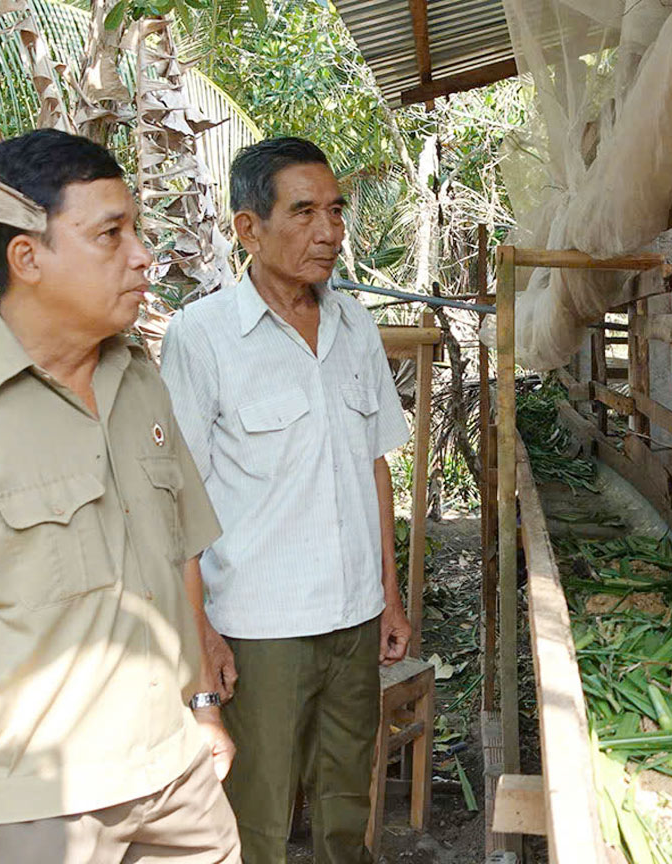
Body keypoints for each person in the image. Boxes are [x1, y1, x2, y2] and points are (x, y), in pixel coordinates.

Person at [0, 129, 240, 864]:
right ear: (27, 258)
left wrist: (201, 708)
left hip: (177, 785)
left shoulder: (139, 381)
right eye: (110, 234)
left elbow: (178, 552)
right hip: (30, 814)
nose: (142, 254)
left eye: (137, 229)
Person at [159, 136, 411, 864]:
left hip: (355, 618)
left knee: (345, 810)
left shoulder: (355, 324)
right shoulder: (202, 337)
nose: (329, 231)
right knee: (259, 821)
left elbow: (374, 470)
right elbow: (181, 500)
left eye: (335, 211)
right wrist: (200, 632)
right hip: (259, 629)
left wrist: (388, 598)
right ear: (248, 227)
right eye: (303, 212)